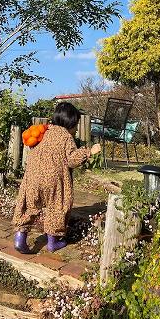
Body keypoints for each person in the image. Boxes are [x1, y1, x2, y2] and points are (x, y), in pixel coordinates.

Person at [12, 101, 101, 253]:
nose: (76, 129)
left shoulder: (43, 131)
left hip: (33, 178)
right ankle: (52, 242)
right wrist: (89, 152)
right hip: (54, 181)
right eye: (76, 125)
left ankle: (20, 237)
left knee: (29, 206)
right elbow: (72, 159)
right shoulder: (66, 137)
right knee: (57, 207)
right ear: (71, 123)